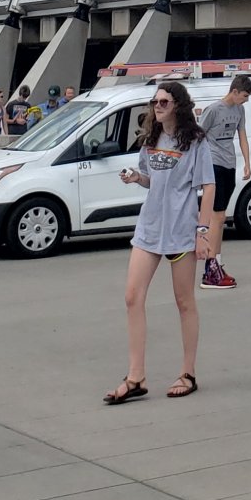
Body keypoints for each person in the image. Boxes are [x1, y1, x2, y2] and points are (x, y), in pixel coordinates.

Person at [104, 78, 215, 403]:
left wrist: (203, 232)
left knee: (184, 302)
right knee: (131, 297)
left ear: (178, 105)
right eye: (155, 102)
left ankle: (188, 372)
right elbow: (153, 180)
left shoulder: (194, 141)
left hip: (182, 230)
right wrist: (137, 178)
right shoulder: (151, 138)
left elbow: (208, 186)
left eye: (164, 102)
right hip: (150, 228)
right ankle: (136, 376)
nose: (157, 106)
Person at [199, 74, 251, 290]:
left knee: (220, 218)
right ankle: (210, 268)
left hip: (229, 163)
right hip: (213, 163)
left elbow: (241, 136)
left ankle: (216, 263)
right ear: (235, 91)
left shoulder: (239, 110)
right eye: (245, 96)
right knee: (217, 216)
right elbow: (198, 137)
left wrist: (247, 163)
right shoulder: (213, 110)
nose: (246, 100)